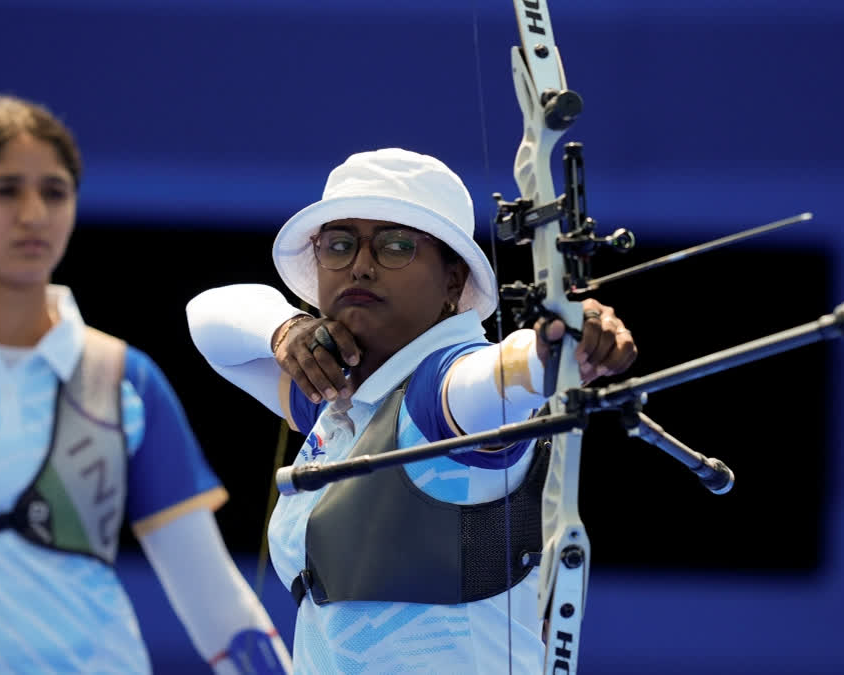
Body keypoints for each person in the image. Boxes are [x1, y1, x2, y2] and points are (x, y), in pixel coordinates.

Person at [0, 94, 291, 674]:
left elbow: (215, 602)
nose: (34, 213)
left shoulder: (125, 379)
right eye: (5, 189)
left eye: (55, 191)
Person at [186, 147, 637, 673]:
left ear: (452, 281)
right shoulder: (335, 399)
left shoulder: (443, 392)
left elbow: (501, 375)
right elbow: (207, 319)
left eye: (396, 246)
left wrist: (560, 347)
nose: (361, 264)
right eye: (339, 244)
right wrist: (287, 331)